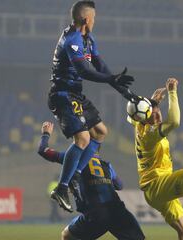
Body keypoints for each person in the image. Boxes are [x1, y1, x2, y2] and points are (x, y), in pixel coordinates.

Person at [48, 0, 136, 212]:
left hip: (75, 95)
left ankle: (76, 174)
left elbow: (100, 65)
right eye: (94, 18)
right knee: (84, 138)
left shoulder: (88, 39)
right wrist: (111, 79)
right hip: (62, 95)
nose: (95, 22)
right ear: (86, 19)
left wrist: (123, 90)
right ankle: (62, 188)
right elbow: (84, 71)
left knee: (100, 132)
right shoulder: (71, 39)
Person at [128, 78, 183, 239]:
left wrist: (153, 101)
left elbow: (133, 114)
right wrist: (172, 92)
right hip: (156, 185)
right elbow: (175, 121)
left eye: (158, 113)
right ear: (145, 119)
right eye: (154, 117)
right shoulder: (150, 134)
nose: (158, 118)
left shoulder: (138, 123)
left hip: (155, 189)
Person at [38, 122, 145, 240]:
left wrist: (46, 134)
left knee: (67, 235)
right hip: (116, 210)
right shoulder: (106, 165)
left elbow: (43, 150)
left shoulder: (74, 158)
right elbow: (119, 185)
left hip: (96, 214)